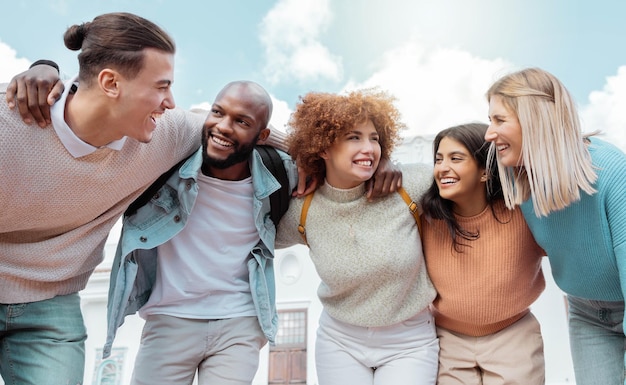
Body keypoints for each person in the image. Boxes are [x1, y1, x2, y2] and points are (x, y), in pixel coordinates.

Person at [0, 12, 288, 384]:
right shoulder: (10, 124)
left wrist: (345, 158)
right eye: (161, 86)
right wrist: (42, 66)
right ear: (110, 83)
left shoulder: (162, 135)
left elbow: (230, 126)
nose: (170, 102)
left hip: (51, 303)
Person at [105, 80, 299, 385]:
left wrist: (381, 164)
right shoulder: (170, 162)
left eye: (241, 121)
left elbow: (340, 163)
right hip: (169, 320)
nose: (223, 126)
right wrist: (45, 71)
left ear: (263, 136)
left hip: (240, 322)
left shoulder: (280, 173)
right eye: (218, 113)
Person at [275, 89, 439, 385]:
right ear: (323, 147)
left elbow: (470, 175)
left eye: (374, 139)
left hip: (409, 341)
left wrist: (390, 160)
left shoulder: (409, 185)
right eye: (354, 137)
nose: (369, 148)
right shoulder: (303, 208)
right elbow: (248, 236)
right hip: (340, 342)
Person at [484, 67, 626, 385]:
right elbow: (448, 176)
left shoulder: (612, 173)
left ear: (534, 119)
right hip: (587, 316)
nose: (488, 135)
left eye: (499, 120)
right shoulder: (515, 176)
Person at [419, 122, 545, 384]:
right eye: (439, 159)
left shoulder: (522, 213)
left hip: (513, 337)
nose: (442, 168)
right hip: (447, 341)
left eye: (456, 158)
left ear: (484, 172)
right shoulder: (425, 220)